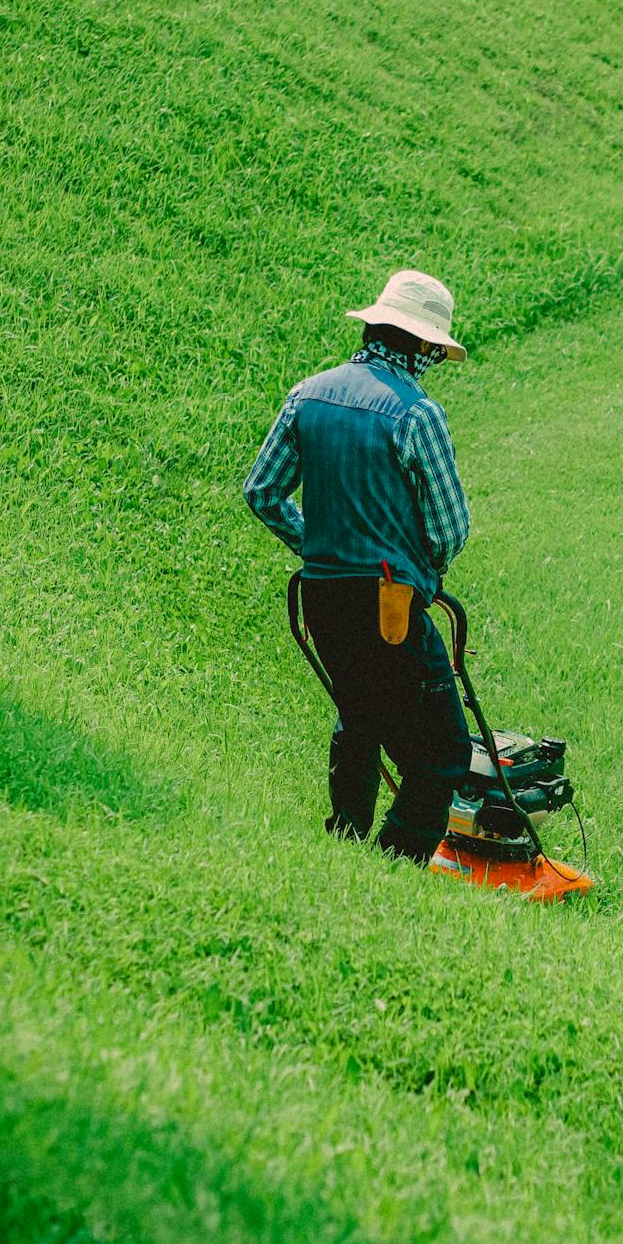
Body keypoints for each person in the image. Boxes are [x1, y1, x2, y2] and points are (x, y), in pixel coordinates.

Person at [244, 270, 473, 865]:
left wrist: (316, 545)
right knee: (445, 749)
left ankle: (344, 838)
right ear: (422, 345)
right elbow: (451, 528)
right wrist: (426, 572)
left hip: (319, 596)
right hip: (390, 602)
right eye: (435, 352)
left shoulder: (308, 395)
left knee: (360, 713)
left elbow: (263, 491)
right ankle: (396, 858)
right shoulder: (417, 415)